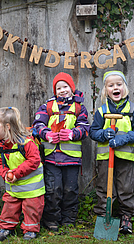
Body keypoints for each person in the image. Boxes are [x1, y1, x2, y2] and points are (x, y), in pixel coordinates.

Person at [89, 70, 134, 234]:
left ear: (125, 87)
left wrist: (125, 138)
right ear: (105, 90)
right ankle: (103, 216)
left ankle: (126, 218)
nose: (115, 87)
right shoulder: (102, 111)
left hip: (125, 158)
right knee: (104, 188)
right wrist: (103, 134)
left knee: (126, 188)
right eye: (111, 85)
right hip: (106, 158)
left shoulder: (133, 110)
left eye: (119, 84)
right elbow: (93, 132)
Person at [32, 72, 90, 232]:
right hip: (52, 158)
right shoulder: (47, 107)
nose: (62, 90)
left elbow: (85, 128)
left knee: (70, 190)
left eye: (65, 86)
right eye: (59, 88)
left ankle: (69, 219)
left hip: (72, 159)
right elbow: (37, 125)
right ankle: (51, 220)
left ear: (72, 88)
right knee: (53, 189)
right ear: (54, 91)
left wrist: (72, 133)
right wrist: (47, 134)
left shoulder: (79, 108)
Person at [0, 107, 45, 241]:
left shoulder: (26, 143)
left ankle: (30, 229)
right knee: (9, 207)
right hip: (13, 187)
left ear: (7, 126)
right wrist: (5, 174)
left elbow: (34, 161)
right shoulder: (0, 145)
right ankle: (6, 228)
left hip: (32, 188)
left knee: (32, 209)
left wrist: (15, 173)